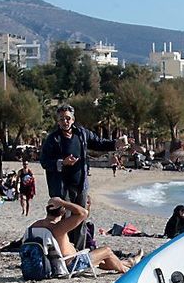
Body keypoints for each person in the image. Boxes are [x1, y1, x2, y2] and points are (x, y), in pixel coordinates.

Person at [39, 104, 128, 249]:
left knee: (81, 218)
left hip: (80, 184)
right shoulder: (52, 139)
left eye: (67, 118)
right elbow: (44, 161)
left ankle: (78, 253)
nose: (65, 121)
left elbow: (99, 143)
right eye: (61, 119)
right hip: (62, 188)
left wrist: (116, 143)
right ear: (58, 121)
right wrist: (62, 162)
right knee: (66, 220)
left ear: (73, 119)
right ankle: (65, 251)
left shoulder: (82, 134)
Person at [29, 197, 141, 274]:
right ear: (63, 212)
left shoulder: (34, 226)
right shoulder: (58, 227)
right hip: (71, 265)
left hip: (50, 263)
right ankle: (127, 270)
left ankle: (129, 263)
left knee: (101, 260)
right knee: (106, 251)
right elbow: (83, 213)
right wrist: (63, 202)